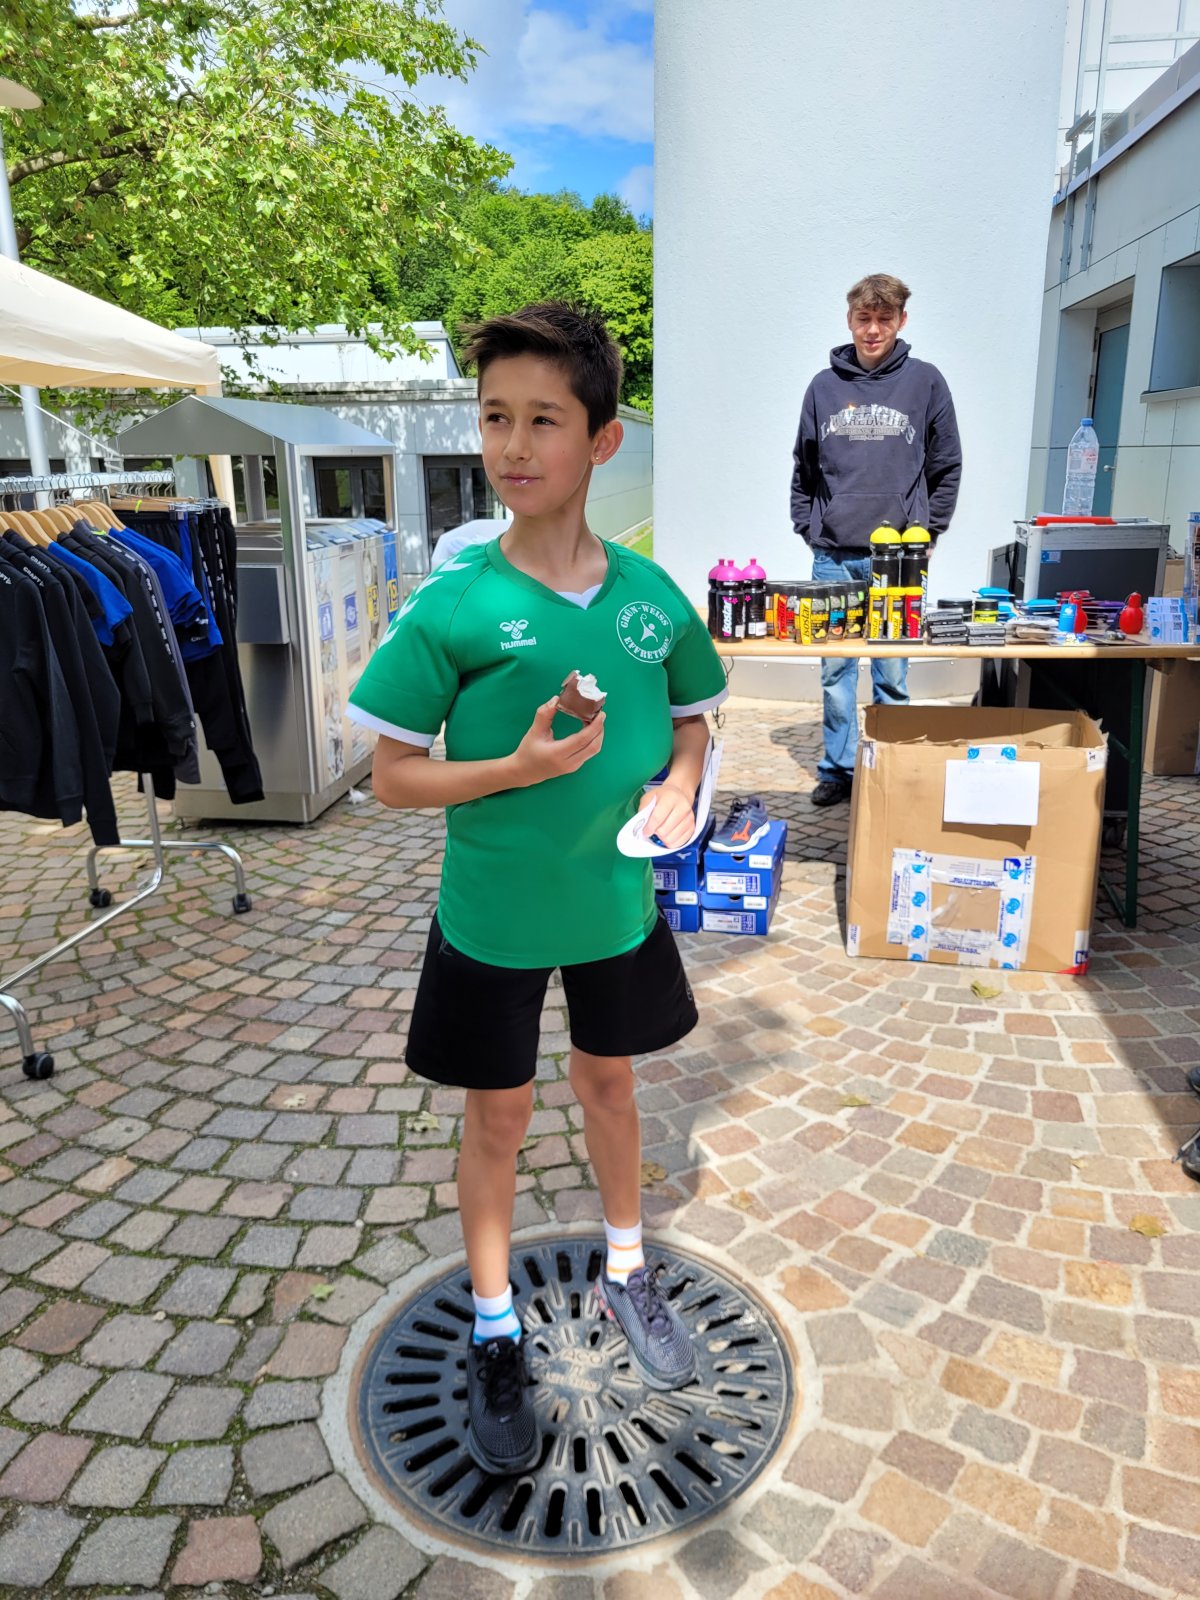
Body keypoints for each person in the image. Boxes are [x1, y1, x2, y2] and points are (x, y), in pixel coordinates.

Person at [347, 302, 728, 1476]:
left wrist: (681, 783)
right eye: (494, 417)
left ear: (602, 439)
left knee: (611, 1082)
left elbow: (696, 719)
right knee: (498, 1117)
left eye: (544, 420)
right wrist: (515, 769)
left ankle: (627, 1269)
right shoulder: (456, 602)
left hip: (615, 906)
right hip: (494, 918)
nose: (512, 445)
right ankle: (495, 1324)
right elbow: (392, 776)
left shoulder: (652, 598)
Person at [790, 273, 962, 806]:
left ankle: (893, 763)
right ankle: (838, 769)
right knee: (835, 673)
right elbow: (804, 466)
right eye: (864, 318)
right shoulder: (823, 387)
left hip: (899, 561)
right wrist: (809, 527)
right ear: (849, 319)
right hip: (834, 557)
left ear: (901, 320)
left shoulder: (925, 381)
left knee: (892, 672)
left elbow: (946, 464)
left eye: (884, 319)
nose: (873, 330)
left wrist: (929, 532)